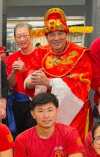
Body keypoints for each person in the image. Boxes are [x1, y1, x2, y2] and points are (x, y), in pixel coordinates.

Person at [25, 8, 93, 140]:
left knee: (73, 146)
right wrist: (29, 82)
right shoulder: (41, 52)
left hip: (75, 110)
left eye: (60, 33)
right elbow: (32, 72)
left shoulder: (81, 54)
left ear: (66, 33)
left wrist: (49, 82)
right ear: (46, 37)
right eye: (51, 35)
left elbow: (82, 83)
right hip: (47, 111)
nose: (56, 38)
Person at [14, 92, 84, 157]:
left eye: (50, 110)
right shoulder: (22, 139)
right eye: (40, 111)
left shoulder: (70, 133)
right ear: (33, 114)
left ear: (57, 111)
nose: (46, 115)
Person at [5, 23, 38, 136]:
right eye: (19, 37)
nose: (22, 39)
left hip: (36, 103)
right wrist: (14, 72)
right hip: (17, 104)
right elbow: (10, 85)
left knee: (34, 137)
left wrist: (24, 71)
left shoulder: (41, 55)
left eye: (25, 35)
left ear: (32, 36)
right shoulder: (11, 58)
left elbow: (38, 83)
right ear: (15, 39)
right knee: (18, 138)